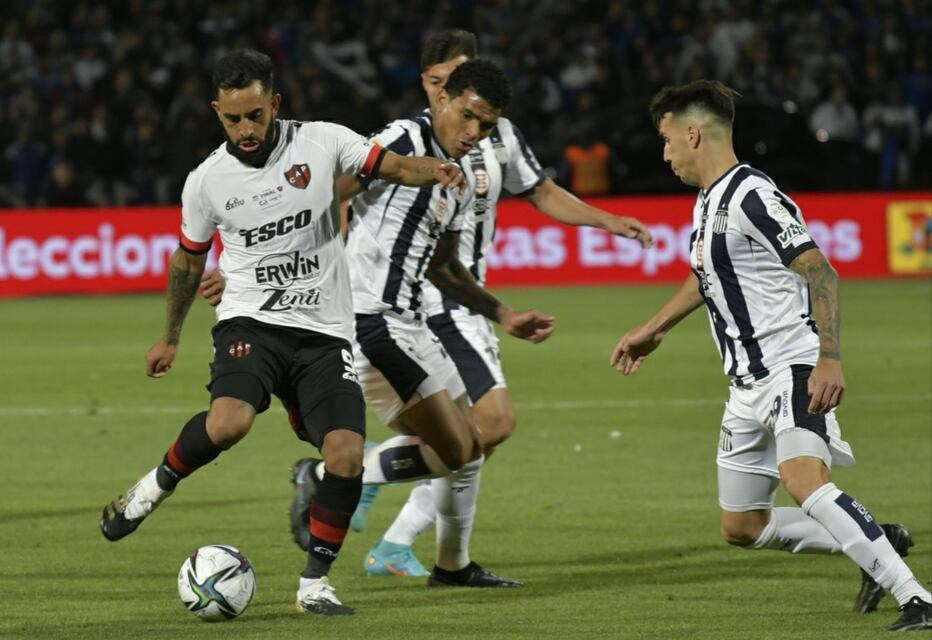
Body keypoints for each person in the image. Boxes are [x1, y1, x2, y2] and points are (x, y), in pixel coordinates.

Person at [98, 49, 465, 617]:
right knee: (230, 422)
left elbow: (392, 167)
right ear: (217, 112)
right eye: (232, 119)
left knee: (346, 454)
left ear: (275, 103)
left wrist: (435, 171)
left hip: (324, 331)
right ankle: (153, 487)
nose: (245, 129)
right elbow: (189, 260)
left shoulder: (322, 141)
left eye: (255, 115)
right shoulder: (206, 181)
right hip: (252, 319)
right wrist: (170, 336)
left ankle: (314, 585)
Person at [609, 79, 931, 633]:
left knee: (804, 481)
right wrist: (653, 328)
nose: (664, 154)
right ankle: (878, 540)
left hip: (791, 367)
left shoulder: (752, 196)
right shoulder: (708, 202)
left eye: (666, 140)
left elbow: (820, 271)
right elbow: (707, 276)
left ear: (693, 134)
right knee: (742, 526)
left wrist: (828, 358)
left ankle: (918, 599)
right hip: (745, 386)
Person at [289, 58, 557, 589]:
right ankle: (324, 475)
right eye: (468, 115)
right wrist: (258, 265)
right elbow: (326, 191)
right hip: (370, 322)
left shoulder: (462, 176)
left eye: (486, 125)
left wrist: (503, 314)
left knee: (477, 440)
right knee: (456, 448)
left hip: (411, 323)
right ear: (442, 99)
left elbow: (444, 267)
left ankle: (452, 565)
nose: (474, 131)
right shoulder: (402, 139)